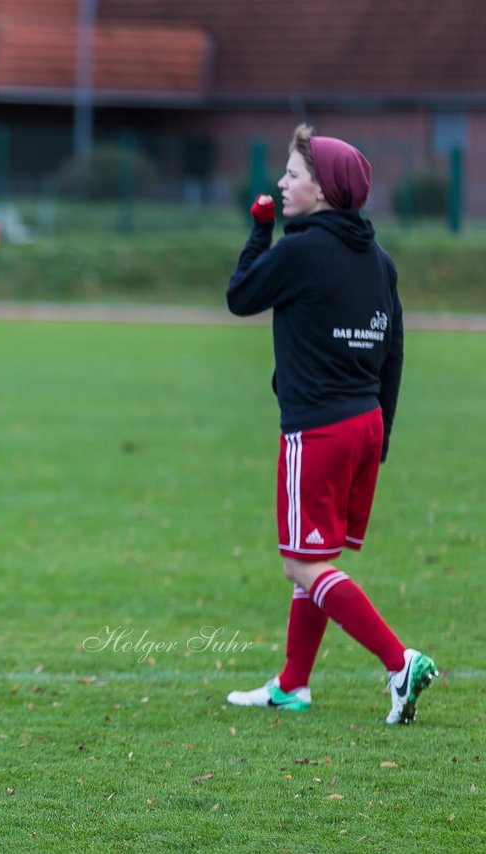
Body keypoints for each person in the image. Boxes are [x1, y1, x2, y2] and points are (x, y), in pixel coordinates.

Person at [225, 124, 436, 724]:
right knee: (314, 555)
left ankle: (400, 662)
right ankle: (293, 684)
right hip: (365, 424)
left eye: (292, 174)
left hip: (316, 431)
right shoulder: (380, 260)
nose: (282, 183)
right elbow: (394, 352)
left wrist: (261, 231)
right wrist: (385, 431)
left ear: (323, 190)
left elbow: (240, 296)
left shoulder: (299, 250)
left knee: (302, 564)